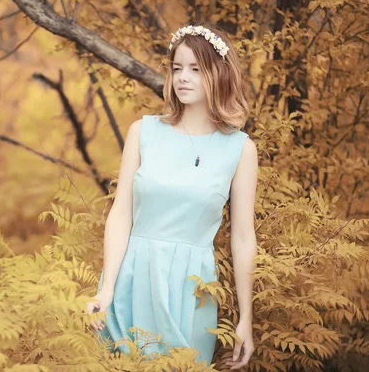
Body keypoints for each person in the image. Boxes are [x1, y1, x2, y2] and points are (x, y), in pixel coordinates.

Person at [86, 24, 258, 370]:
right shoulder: (143, 131)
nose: (183, 78)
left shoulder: (240, 148)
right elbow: (121, 215)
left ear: (219, 74)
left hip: (191, 290)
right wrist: (105, 290)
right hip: (131, 277)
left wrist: (245, 318)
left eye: (196, 69)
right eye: (177, 68)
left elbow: (242, 237)